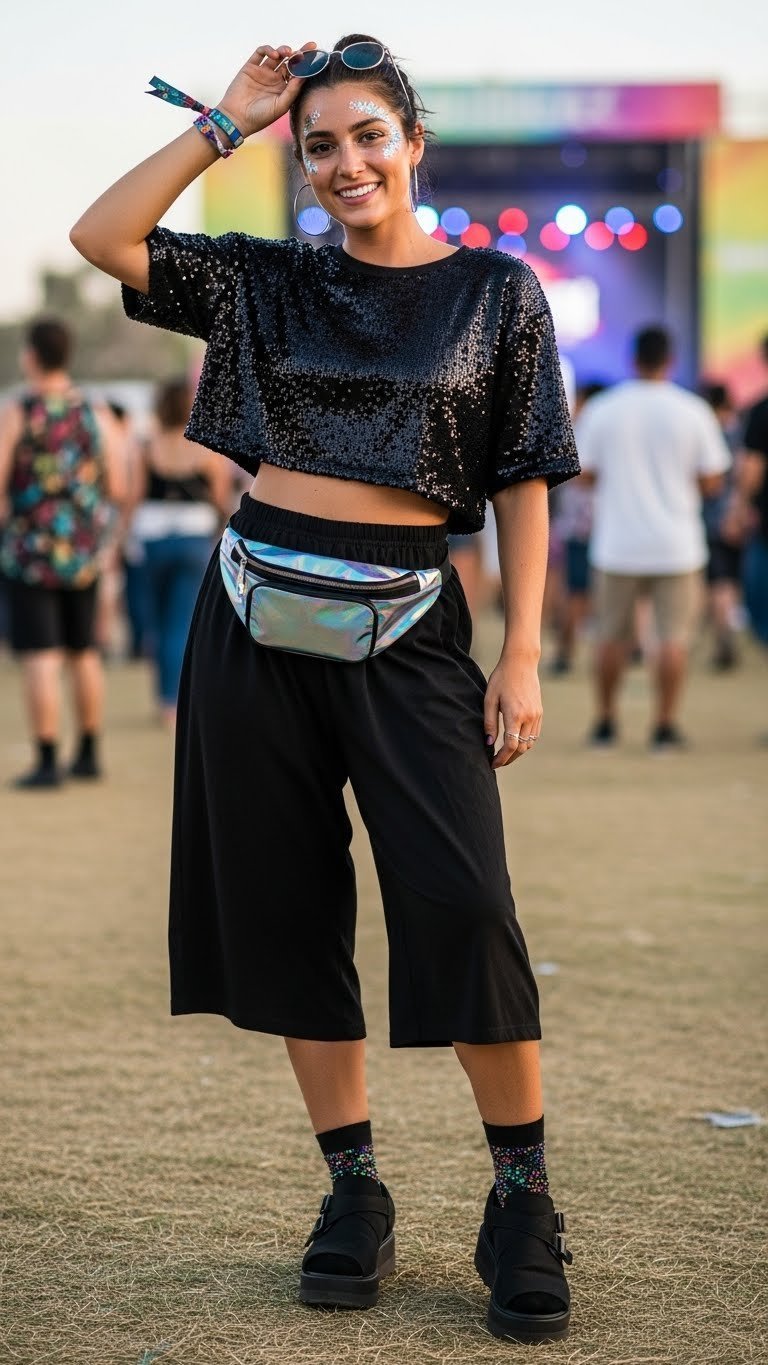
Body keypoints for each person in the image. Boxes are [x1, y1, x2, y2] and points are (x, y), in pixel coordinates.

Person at [71, 34, 580, 1342]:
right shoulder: (262, 283)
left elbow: (523, 474)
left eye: (367, 135)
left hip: (414, 626)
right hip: (250, 618)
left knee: (464, 902)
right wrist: (228, 121)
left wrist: (519, 650)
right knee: (286, 908)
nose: (346, 161)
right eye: (321, 143)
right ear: (299, 164)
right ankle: (353, 1187)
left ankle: (521, 1197)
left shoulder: (495, 292)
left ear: (413, 143)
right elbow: (103, 234)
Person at [576, 326, 731, 750]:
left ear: (633, 359)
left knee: (610, 636)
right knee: (673, 639)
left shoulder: (603, 409)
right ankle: (664, 726)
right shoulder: (693, 410)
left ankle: (605, 722)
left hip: (617, 545)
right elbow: (714, 478)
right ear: (671, 360)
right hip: (678, 545)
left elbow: (583, 473)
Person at [0, 318, 124, 787]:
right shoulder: (96, 411)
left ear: (31, 355)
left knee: (40, 656)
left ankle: (48, 760)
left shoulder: (18, 411)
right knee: (84, 652)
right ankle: (89, 753)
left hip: (30, 552)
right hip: (83, 552)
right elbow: (118, 485)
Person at [132, 377, 232, 723]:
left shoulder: (148, 445)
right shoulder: (205, 448)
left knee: (156, 621)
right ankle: (175, 703)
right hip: (193, 538)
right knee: (182, 621)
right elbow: (220, 500)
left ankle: (163, 698)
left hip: (153, 538)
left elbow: (133, 496)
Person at [724, 336, 768, 650]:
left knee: (758, 597)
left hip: (766, 522)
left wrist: (737, 511)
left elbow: (751, 469)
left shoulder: (760, 411)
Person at [698, 382, 744, 669]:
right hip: (739, 518)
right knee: (732, 581)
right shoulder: (740, 432)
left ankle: (723, 637)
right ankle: (728, 631)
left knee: (718, 583)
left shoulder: (710, 433)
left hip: (714, 519)